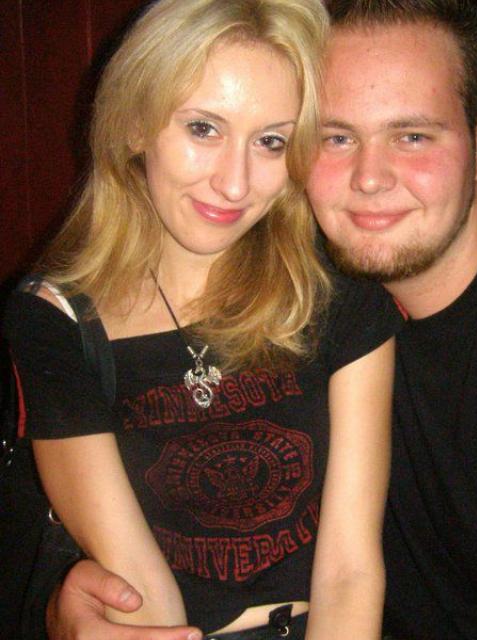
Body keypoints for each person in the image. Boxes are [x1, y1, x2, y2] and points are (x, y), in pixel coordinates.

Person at [17, 0, 477, 638]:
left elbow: (349, 574)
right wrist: (56, 606)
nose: (369, 178)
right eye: (337, 138)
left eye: (412, 136)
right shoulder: (322, 283)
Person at [2, 0, 402, 638]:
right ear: (135, 125)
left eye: (270, 141)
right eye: (203, 129)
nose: (235, 184)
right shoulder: (55, 320)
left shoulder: (337, 294)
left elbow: (350, 573)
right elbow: (137, 587)